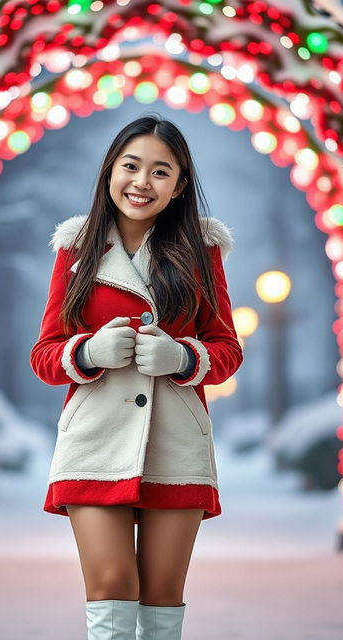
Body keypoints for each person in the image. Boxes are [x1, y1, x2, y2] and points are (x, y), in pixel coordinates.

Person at [30, 113, 243, 639]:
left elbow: (227, 350)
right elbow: (44, 356)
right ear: (109, 172)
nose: (141, 183)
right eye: (131, 166)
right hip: (95, 441)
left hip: (175, 445)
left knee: (161, 599)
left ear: (179, 185)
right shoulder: (76, 248)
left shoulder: (202, 250)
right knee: (111, 584)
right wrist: (88, 351)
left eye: (160, 172)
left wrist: (183, 359)